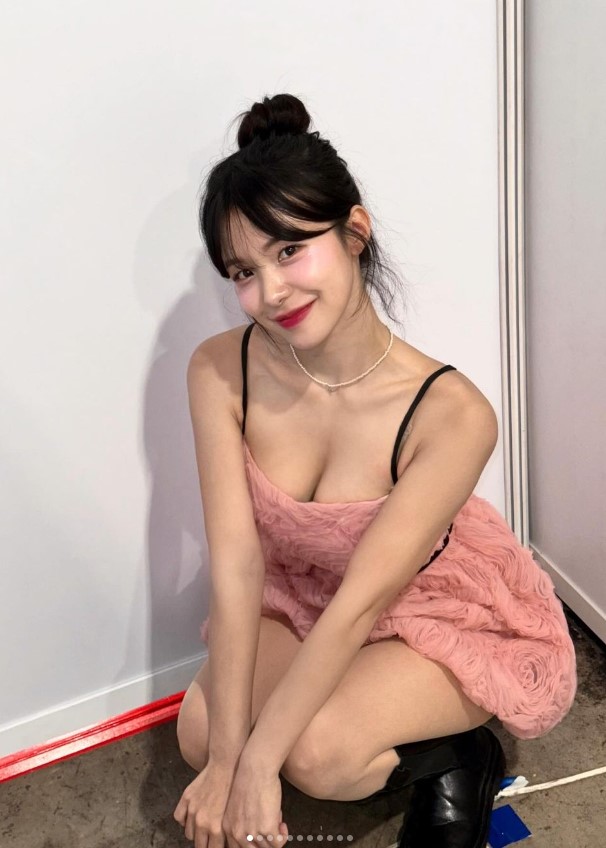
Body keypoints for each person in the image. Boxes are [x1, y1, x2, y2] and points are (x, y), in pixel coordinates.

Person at [173, 93, 577, 848]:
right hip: (305, 593)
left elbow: (364, 599)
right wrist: (229, 759)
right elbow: (236, 564)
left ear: (354, 232)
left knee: (315, 757)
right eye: (244, 271)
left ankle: (462, 757)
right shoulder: (220, 370)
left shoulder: (452, 413)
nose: (271, 293)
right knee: (200, 735)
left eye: (290, 251)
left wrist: (258, 766)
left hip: (432, 606)